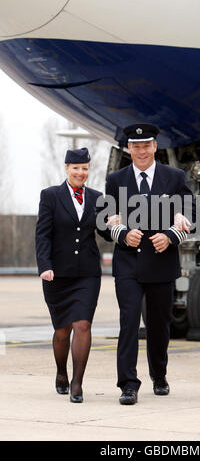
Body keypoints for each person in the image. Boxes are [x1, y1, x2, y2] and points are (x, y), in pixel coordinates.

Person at [103, 123, 194, 405]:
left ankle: (159, 374)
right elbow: (103, 224)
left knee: (159, 325)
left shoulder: (175, 177)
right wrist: (122, 235)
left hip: (162, 264)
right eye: (136, 146)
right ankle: (128, 385)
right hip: (128, 266)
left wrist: (170, 236)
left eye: (146, 146)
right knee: (129, 322)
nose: (141, 151)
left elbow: (193, 216)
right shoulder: (115, 180)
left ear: (155, 147)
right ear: (128, 149)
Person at [35, 147, 110, 403]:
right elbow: (42, 234)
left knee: (83, 325)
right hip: (57, 274)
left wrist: (115, 225)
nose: (81, 172)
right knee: (62, 330)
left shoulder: (97, 198)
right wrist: (44, 265)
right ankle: (61, 372)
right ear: (67, 168)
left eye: (85, 168)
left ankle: (77, 383)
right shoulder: (50, 196)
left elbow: (105, 233)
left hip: (88, 273)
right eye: (76, 168)